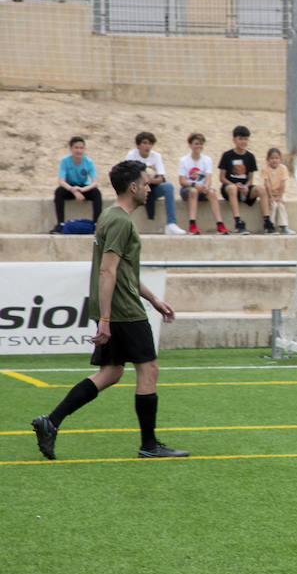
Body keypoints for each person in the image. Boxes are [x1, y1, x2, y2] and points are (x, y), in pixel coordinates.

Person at [30, 160, 189, 461]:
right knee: (149, 369)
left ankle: (51, 422)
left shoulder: (111, 217)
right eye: (145, 183)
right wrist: (105, 319)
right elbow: (107, 271)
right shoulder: (120, 221)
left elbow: (123, 271)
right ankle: (149, 445)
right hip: (123, 310)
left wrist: (154, 299)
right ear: (132, 187)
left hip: (118, 306)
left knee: (112, 372)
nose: (148, 187)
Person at [125, 130, 184, 235]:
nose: (147, 146)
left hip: (152, 187)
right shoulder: (131, 155)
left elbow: (160, 178)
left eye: (150, 143)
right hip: (136, 188)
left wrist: (149, 180)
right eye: (144, 143)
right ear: (138, 145)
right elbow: (127, 176)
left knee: (168, 186)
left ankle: (171, 224)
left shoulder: (156, 156)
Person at [217, 124, 273, 234]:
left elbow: (250, 178)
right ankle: (238, 222)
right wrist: (234, 185)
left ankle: (267, 221)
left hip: (244, 189)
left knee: (261, 189)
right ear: (234, 140)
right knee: (232, 188)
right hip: (230, 188)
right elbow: (222, 178)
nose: (243, 141)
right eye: (240, 139)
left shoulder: (250, 156)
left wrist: (246, 186)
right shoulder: (227, 155)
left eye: (246, 139)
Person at [177, 132, 227, 235]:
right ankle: (192, 224)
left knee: (212, 193)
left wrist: (206, 186)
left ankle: (220, 224)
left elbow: (209, 178)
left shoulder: (207, 160)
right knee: (194, 191)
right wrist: (195, 185)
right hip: (188, 189)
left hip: (202, 188)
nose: (199, 146)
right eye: (196, 143)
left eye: (200, 144)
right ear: (190, 145)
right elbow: (182, 181)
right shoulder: (184, 160)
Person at [52, 135, 102, 233]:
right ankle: (60, 224)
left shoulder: (89, 162)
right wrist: (73, 190)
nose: (79, 150)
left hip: (83, 188)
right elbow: (61, 181)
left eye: (81, 148)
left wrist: (83, 190)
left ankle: (97, 225)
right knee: (58, 192)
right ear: (71, 149)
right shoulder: (65, 161)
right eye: (76, 147)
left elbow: (95, 182)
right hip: (70, 187)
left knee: (96, 193)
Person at [261, 146, 294, 234]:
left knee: (281, 205)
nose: (274, 160)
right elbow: (266, 183)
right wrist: (271, 197)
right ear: (268, 159)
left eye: (276, 158)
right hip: (269, 193)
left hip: (280, 193)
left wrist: (280, 197)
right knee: (273, 205)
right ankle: (270, 227)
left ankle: (284, 227)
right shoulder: (266, 169)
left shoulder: (283, 168)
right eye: (272, 158)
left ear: (280, 159)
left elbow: (283, 183)